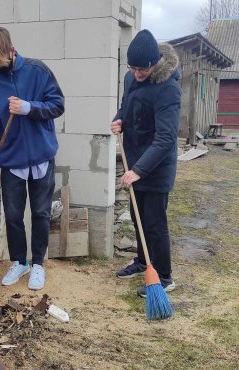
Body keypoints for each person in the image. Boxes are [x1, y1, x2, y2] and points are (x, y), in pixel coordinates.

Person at [0, 26, 64, 290]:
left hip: (42, 157)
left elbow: (58, 104)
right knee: (13, 215)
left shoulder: (38, 71)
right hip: (12, 161)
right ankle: (19, 262)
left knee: (40, 213)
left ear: (10, 51)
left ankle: (37, 265)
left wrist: (29, 108)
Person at [111, 30, 180, 297]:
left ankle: (163, 276)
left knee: (154, 222)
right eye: (133, 68)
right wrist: (120, 119)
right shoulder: (130, 78)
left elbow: (165, 138)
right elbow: (126, 105)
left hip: (156, 167)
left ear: (155, 63)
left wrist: (139, 171)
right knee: (137, 214)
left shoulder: (168, 88)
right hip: (134, 160)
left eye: (143, 69)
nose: (137, 73)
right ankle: (142, 262)